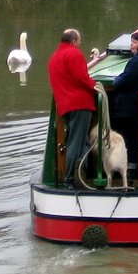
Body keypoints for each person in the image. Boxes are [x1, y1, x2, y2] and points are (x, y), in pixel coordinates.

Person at [47, 28, 100, 188]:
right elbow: (81, 77)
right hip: (79, 104)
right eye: (79, 40)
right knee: (76, 143)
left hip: (64, 106)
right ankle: (70, 179)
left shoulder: (54, 58)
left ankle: (83, 174)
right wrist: (95, 85)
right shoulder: (74, 54)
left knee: (81, 140)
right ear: (74, 41)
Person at [110, 31, 138, 174]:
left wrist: (117, 80)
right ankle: (131, 165)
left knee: (125, 137)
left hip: (127, 108)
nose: (131, 45)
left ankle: (128, 168)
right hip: (136, 105)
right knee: (133, 136)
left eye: (134, 42)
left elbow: (122, 82)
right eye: (131, 42)